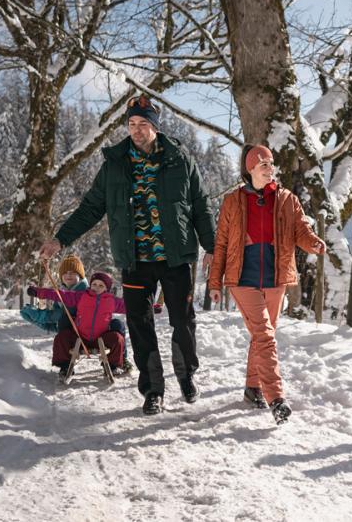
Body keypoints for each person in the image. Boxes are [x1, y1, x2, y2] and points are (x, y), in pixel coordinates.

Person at [38, 95, 217, 416]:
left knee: (183, 320)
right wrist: (59, 240)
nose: (136, 130)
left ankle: (186, 375)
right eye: (132, 124)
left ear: (156, 127)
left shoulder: (180, 159)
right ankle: (153, 390)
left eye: (143, 124)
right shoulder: (115, 165)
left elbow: (201, 206)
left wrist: (213, 247)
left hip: (176, 258)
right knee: (139, 323)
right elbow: (90, 208)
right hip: (135, 261)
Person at [208, 145, 326, 425]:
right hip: (242, 278)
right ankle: (275, 397)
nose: (269, 168)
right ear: (250, 169)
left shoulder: (287, 199)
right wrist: (215, 281)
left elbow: (301, 230)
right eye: (263, 164)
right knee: (265, 335)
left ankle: (252, 388)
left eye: (271, 163)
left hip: (276, 278)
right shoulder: (232, 201)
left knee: (262, 336)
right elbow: (221, 244)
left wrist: (313, 243)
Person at [20, 255, 134, 373]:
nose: (97, 287)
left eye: (101, 285)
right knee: (61, 336)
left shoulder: (112, 301)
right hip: (79, 336)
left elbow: (132, 308)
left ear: (107, 288)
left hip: (101, 337)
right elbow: (59, 295)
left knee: (117, 337)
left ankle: (113, 365)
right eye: (94, 284)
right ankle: (65, 365)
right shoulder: (82, 296)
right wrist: (38, 293)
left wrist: (151, 308)